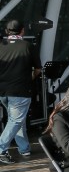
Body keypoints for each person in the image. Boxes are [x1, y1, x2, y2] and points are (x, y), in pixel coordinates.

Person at [0, 19, 41, 164]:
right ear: (22, 30)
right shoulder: (27, 46)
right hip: (20, 90)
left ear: (6, 32)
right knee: (16, 120)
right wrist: (29, 78)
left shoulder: (1, 46)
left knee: (17, 120)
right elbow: (38, 69)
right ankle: (1, 149)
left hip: (3, 92)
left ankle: (24, 148)